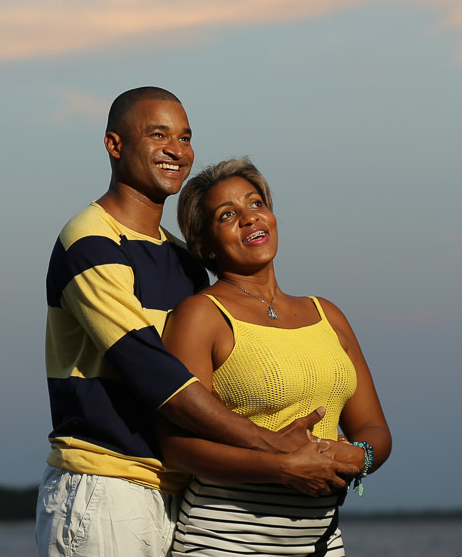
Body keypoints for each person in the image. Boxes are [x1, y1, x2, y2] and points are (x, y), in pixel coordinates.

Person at [37, 89, 356, 557]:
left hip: (181, 496)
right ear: (114, 144)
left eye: (185, 137)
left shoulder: (183, 260)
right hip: (108, 488)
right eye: (158, 134)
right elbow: (153, 372)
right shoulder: (90, 241)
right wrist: (274, 449)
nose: (177, 149)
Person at [159, 157, 392, 556]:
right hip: (226, 541)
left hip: (321, 540)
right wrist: (282, 468)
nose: (249, 219)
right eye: (227, 214)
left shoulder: (327, 314)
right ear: (205, 245)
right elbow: (176, 447)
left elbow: (373, 427)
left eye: (256, 204)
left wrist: (356, 456)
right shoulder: (200, 315)